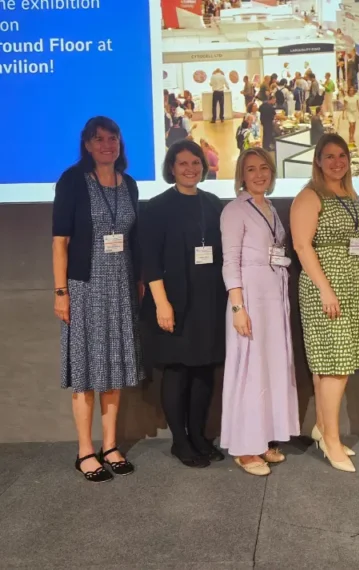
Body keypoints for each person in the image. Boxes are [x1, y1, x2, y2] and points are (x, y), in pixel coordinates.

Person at [52, 116, 143, 482]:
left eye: (113, 138)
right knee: (87, 371)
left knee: (114, 368)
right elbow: (61, 242)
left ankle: (109, 445)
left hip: (121, 287)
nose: (108, 144)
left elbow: (133, 239)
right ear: (87, 145)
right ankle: (85, 451)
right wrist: (61, 293)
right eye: (99, 139)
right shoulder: (73, 180)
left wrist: (137, 281)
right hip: (85, 287)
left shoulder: (130, 184)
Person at [141, 140, 227, 469]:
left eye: (195, 162)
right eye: (182, 163)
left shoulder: (214, 203)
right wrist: (162, 304)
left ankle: (200, 436)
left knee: (204, 370)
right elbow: (149, 261)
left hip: (209, 300)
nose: (190, 168)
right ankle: (180, 440)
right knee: (177, 372)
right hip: (173, 301)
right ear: (171, 168)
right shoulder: (157, 207)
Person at [290, 133, 359, 473]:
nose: (337, 162)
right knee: (335, 365)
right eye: (330, 156)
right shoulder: (309, 196)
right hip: (325, 284)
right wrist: (325, 288)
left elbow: (355, 239)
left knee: (334, 365)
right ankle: (332, 442)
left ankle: (323, 428)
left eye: (342, 156)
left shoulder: (349, 194)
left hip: (350, 283)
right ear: (317, 160)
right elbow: (303, 247)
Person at [220, 148, 300, 476]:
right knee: (249, 369)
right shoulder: (234, 210)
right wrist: (238, 307)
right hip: (250, 297)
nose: (258, 174)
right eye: (251, 169)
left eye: (264, 168)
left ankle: (263, 437)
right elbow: (230, 262)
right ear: (241, 174)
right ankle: (244, 447)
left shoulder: (271, 207)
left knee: (269, 367)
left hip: (274, 296)